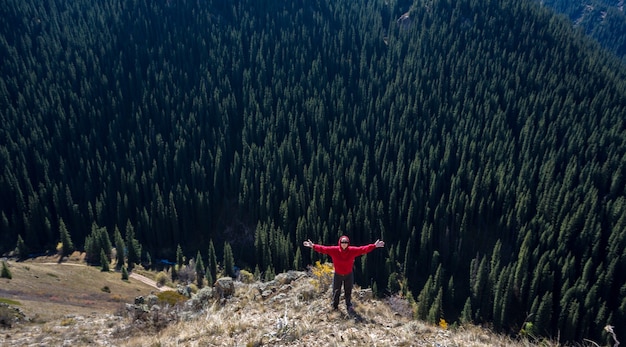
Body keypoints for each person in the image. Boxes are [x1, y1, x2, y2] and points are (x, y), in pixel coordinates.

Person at [303, 236, 385, 312]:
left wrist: (374, 246)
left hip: (348, 274)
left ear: (348, 243)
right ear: (340, 243)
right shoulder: (334, 250)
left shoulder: (352, 251)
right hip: (338, 274)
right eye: (342, 242)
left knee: (348, 291)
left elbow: (362, 249)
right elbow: (323, 249)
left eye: (346, 242)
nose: (344, 244)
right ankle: (335, 306)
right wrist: (313, 246)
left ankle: (348, 305)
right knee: (336, 291)